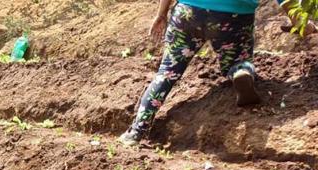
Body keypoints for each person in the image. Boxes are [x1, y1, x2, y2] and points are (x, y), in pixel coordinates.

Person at [119, 0, 316, 146]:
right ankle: (240, 71)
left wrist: (161, 14)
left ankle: (136, 132)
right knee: (239, 59)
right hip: (233, 17)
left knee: (167, 72)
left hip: (188, 12)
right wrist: (300, 22)